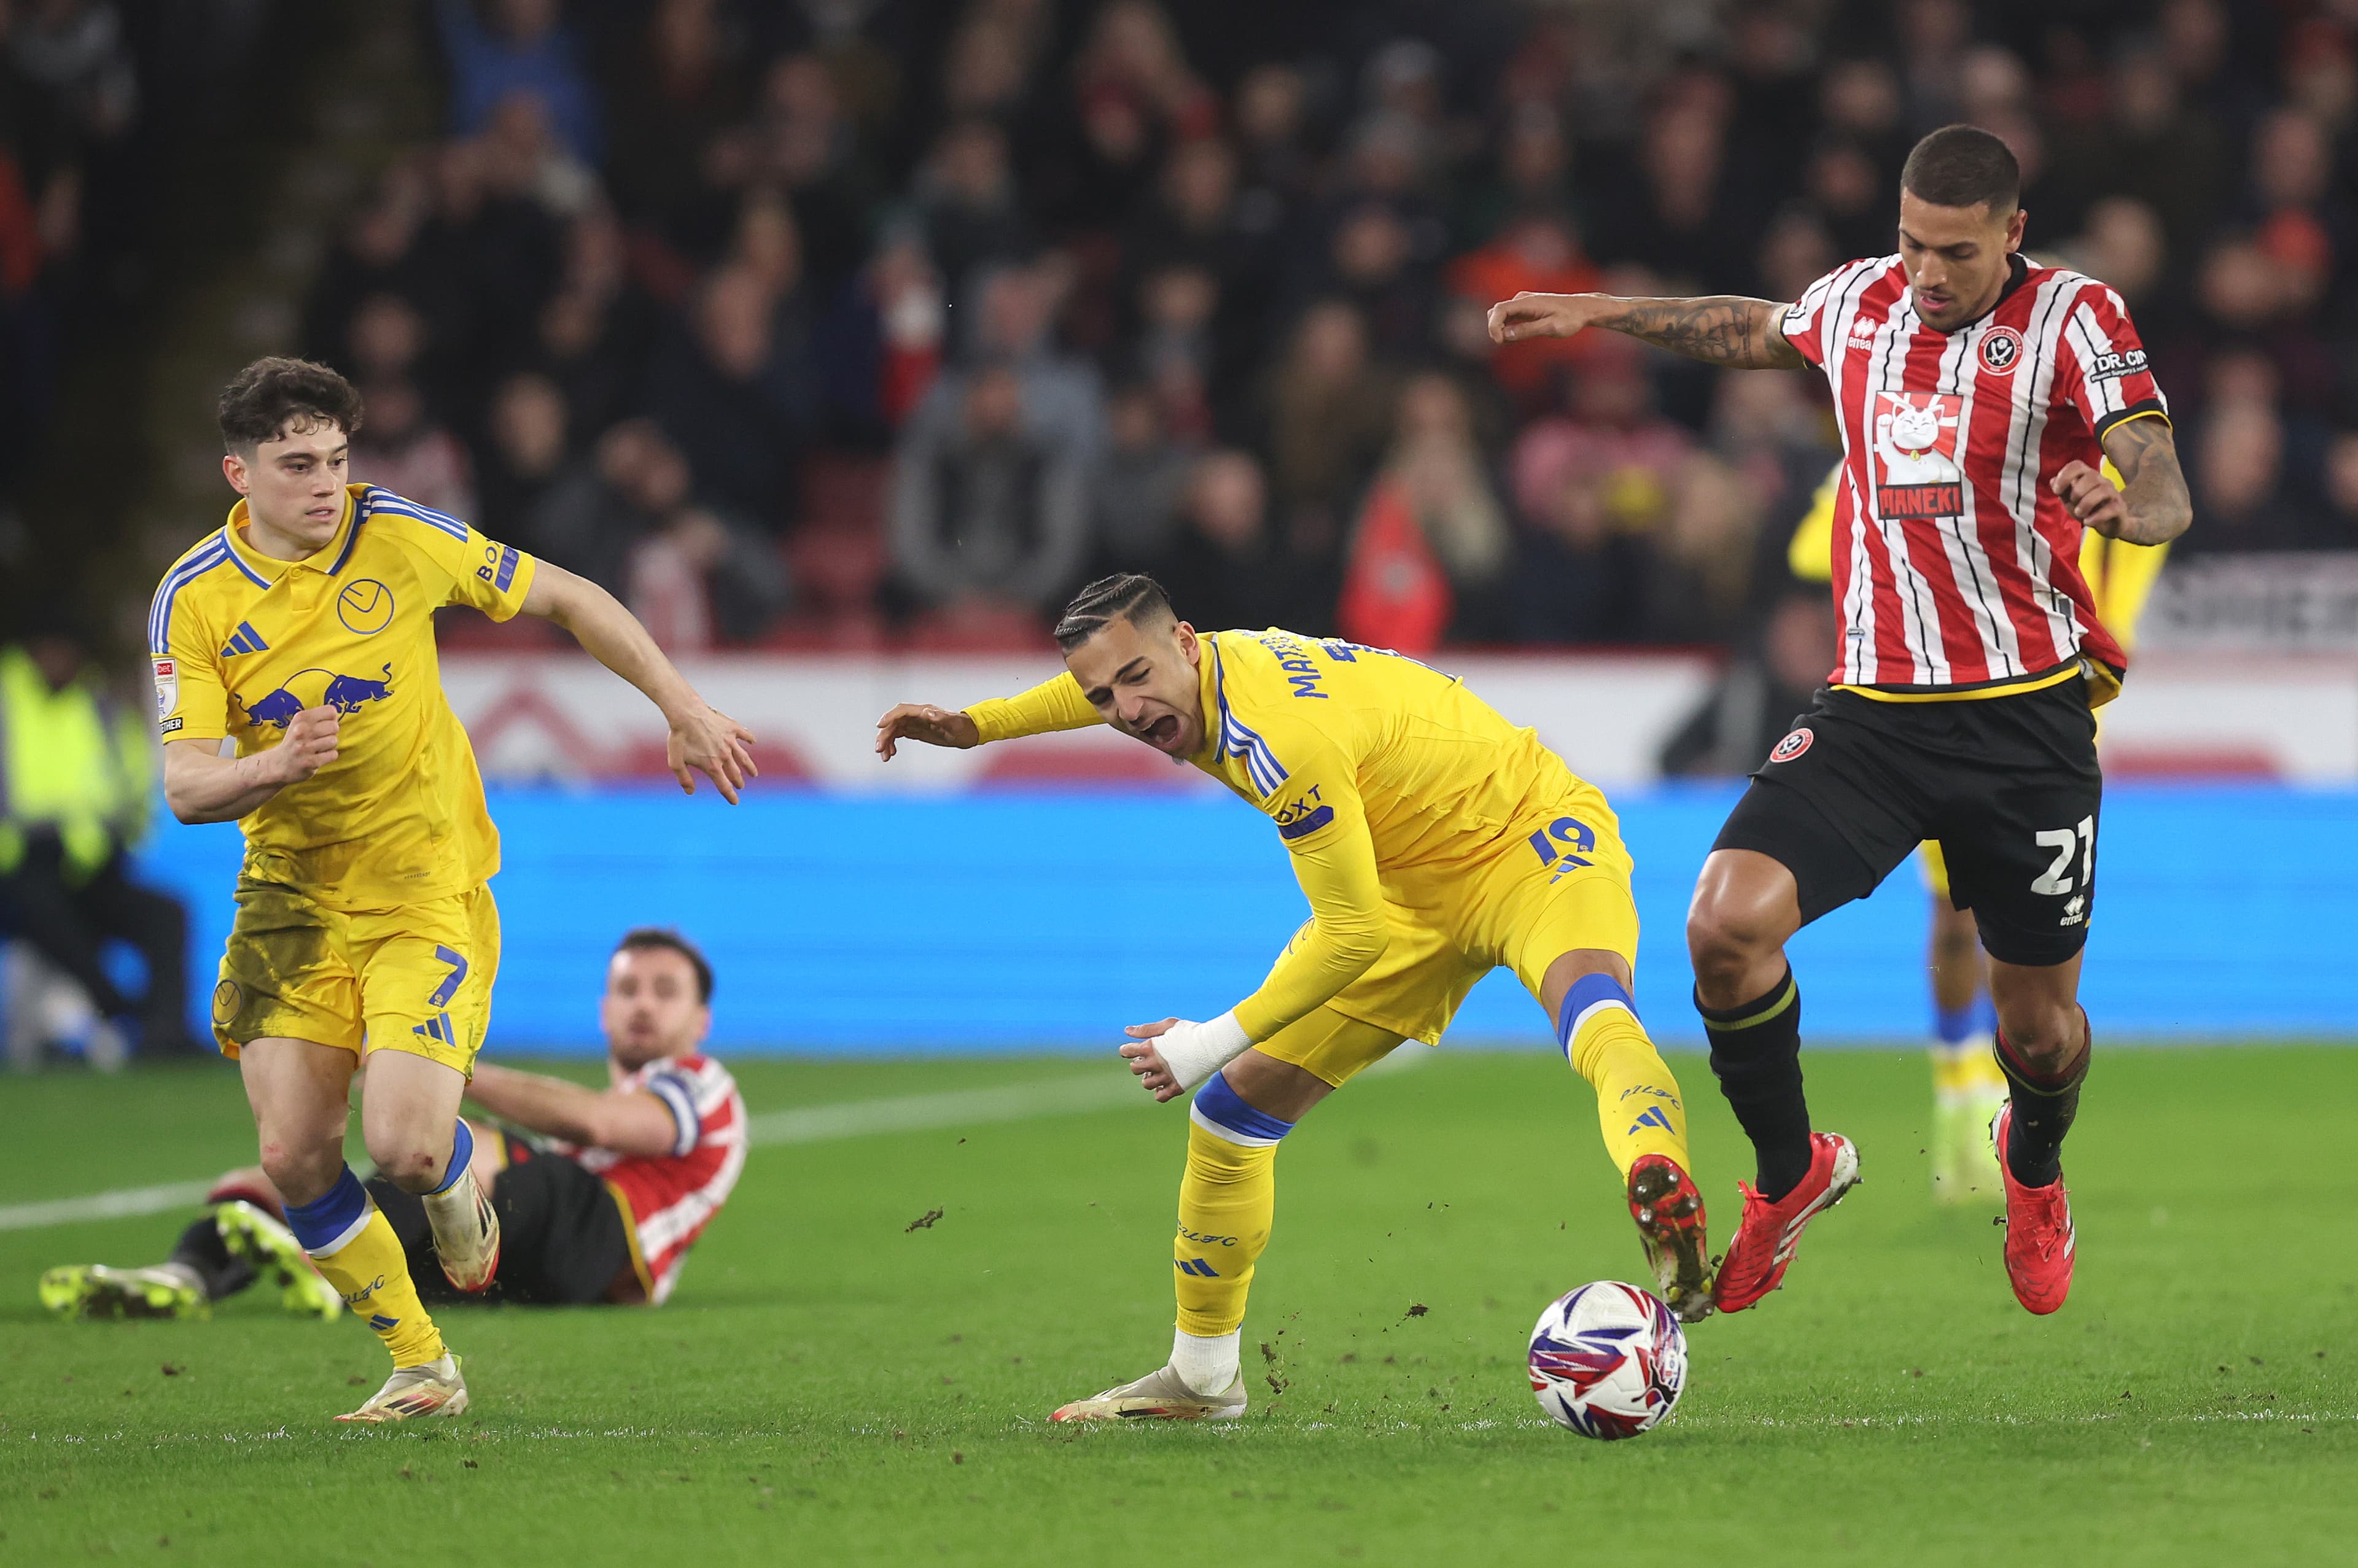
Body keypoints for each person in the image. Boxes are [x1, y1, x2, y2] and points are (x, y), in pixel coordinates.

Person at [1488, 124, 2192, 1318]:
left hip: (2027, 723)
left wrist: (2127, 503)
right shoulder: (1861, 304)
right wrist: (1596, 310)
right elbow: (1751, 325)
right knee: (1723, 925)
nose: (1925, 272)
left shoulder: (2077, 320)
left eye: (1955, 253)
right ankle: (1790, 1170)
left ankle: (2033, 1167)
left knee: (2040, 1029)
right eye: (1912, 243)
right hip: (1874, 712)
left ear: (2013, 236)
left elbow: (2161, 469)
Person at [874, 573, 1712, 1422]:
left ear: (1186, 643)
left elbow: (1349, 935)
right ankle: (1202, 1378)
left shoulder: (1277, 735)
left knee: (1594, 1012)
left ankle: (1659, 1178)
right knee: (1233, 1115)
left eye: (1136, 679)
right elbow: (1088, 685)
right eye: (1106, 695)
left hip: (1526, 837)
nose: (1124, 709)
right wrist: (976, 725)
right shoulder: (1187, 678)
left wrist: (1203, 1042)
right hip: (1405, 891)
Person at [146, 359, 756, 1421]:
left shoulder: (400, 534)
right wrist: (272, 767)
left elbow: (566, 594)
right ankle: (423, 1363)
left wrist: (681, 701)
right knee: (292, 1154)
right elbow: (187, 782)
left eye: (337, 458)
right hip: (289, 891)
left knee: (407, 1143)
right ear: (238, 472)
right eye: (297, 464)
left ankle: (454, 1179)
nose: (327, 484)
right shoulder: (192, 597)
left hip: (424, 874)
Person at [1783, 448, 2171, 1204]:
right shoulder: (1931, 435)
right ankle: (1960, 1088)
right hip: (1935, 702)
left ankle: (2001, 1103)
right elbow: (1811, 550)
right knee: (1956, 912)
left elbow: (2135, 563)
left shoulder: (2111, 466)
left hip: (2048, 708)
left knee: (2024, 941)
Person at [41, 927, 744, 1319]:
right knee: (281, 1180)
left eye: (665, 991)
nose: (643, 1005)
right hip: (526, 1272)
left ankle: (316, 1254)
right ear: (603, 1010)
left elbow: (598, 1123)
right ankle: (190, 1272)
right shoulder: (612, 1113)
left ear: (701, 1020)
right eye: (628, 988)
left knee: (454, 1144)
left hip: (604, 1248)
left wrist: (436, 1067)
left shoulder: (702, 1085)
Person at [0, 618, 204, 1060]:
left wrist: (112, 839)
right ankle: (119, 1011)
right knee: (42, 910)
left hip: (91, 866)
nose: (60, 660)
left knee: (167, 914)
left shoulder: (101, 707)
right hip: (17, 868)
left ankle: (164, 1034)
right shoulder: (7, 702)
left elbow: (134, 791)